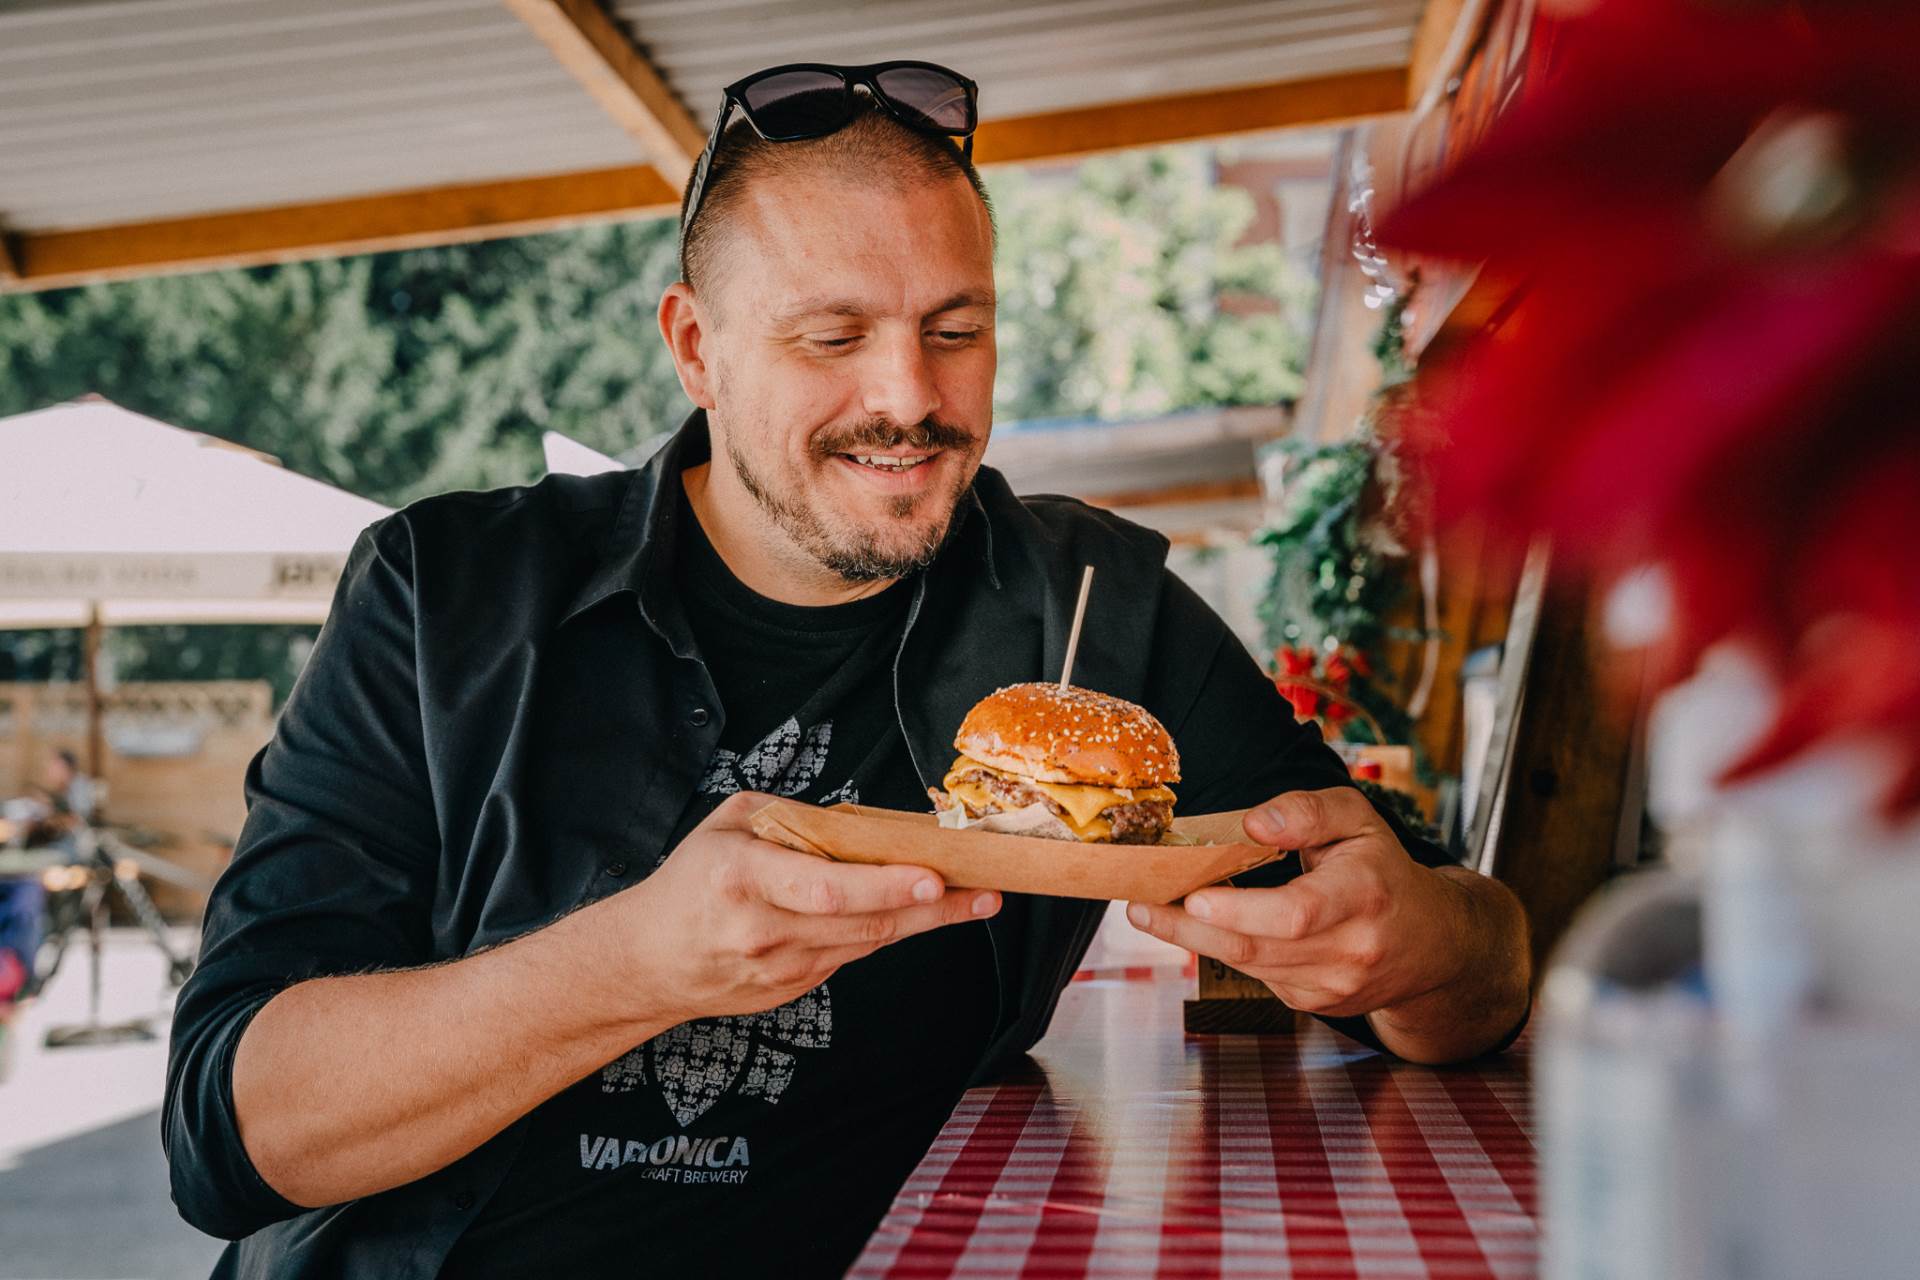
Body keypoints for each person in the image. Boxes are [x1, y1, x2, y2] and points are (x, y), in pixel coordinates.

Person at [165, 63, 1531, 1279]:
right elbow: (229, 1135)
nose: (911, 399)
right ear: (696, 348)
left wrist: (1404, 951)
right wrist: (636, 963)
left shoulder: (1095, 605)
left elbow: (1475, 956)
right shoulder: (440, 594)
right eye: (832, 338)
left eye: (956, 330)